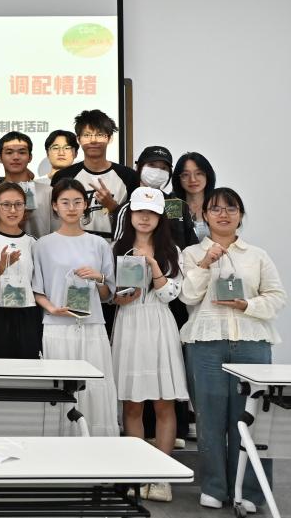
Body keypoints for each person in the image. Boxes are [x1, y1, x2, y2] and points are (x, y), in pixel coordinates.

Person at [181, 188, 286, 511]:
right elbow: (187, 296)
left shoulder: (257, 255)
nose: (223, 214)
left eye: (231, 208)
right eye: (215, 209)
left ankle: (250, 492)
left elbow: (277, 297)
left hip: (252, 344)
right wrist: (205, 263)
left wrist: (247, 305)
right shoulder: (191, 253)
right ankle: (214, 486)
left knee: (252, 419)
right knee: (209, 418)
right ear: (204, 215)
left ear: (240, 215)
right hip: (206, 345)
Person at [111, 187, 189, 503]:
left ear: (160, 217)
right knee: (132, 403)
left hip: (159, 324)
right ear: (130, 214)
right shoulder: (116, 247)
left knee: (163, 402)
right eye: (139, 212)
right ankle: (138, 473)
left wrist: (154, 265)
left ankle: (161, 476)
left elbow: (171, 295)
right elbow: (110, 295)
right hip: (129, 323)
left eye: (152, 212)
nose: (145, 217)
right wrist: (118, 297)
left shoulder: (173, 251)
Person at [32, 178, 120, 437]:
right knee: (60, 388)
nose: (71, 208)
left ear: (85, 205)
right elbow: (37, 289)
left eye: (77, 202)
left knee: (94, 387)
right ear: (55, 206)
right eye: (65, 202)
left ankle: (96, 447)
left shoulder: (99, 244)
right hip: (57, 327)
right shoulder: (43, 244)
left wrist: (98, 278)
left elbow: (107, 295)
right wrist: (52, 309)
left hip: (91, 326)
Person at [50, 110, 138, 240]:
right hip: (73, 243)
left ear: (109, 138)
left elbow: (137, 218)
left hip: (115, 244)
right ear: (78, 139)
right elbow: (55, 217)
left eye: (100, 135)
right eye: (87, 135)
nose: (93, 140)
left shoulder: (129, 176)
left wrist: (112, 206)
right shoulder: (63, 176)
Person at [0, 182, 41, 360]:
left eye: (18, 204)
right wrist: (0, 267)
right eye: (6, 205)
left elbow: (37, 284)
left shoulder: (33, 243)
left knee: (29, 367)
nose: (13, 210)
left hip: (28, 313)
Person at [112, 146, 197, 248]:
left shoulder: (177, 205)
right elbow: (119, 248)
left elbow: (191, 243)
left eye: (163, 168)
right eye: (151, 165)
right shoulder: (127, 207)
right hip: (137, 258)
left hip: (176, 257)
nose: (157, 171)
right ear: (138, 167)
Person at [0, 132, 53, 238]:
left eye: (22, 152)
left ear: (30, 157)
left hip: (42, 248)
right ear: (0, 157)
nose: (16, 157)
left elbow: (58, 232)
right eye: (9, 152)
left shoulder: (48, 192)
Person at [173, 152, 216, 243]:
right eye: (185, 174)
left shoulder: (218, 205)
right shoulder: (173, 206)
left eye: (199, 173)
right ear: (178, 178)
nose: (192, 179)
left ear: (207, 175)